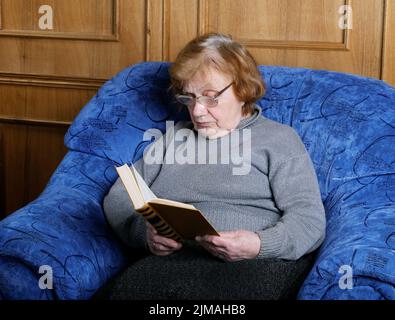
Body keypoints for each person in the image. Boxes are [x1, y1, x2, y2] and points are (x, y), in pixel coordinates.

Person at [100, 33, 326, 300]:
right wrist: (144, 234)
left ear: (243, 90)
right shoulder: (174, 137)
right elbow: (119, 196)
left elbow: (309, 220)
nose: (196, 111)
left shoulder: (279, 140)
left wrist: (259, 245)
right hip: (173, 261)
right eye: (188, 98)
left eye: (210, 97)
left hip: (253, 264)